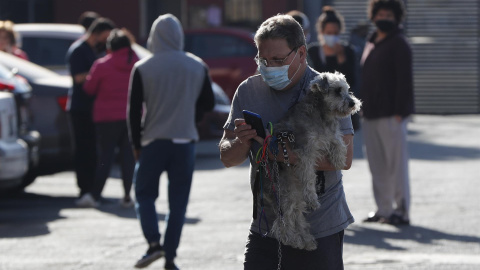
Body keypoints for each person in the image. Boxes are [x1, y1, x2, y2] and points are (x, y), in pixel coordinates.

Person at [219, 14, 355, 269]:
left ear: (301, 53)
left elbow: (344, 159)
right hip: (266, 224)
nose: (269, 66)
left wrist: (287, 155)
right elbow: (227, 157)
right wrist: (242, 142)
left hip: (321, 226)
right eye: (262, 59)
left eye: (278, 60)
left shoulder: (327, 88)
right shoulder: (248, 91)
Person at [127, 14, 214, 270]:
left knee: (144, 194)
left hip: (153, 140)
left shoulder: (143, 67)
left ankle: (154, 243)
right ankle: (171, 257)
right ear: (180, 36)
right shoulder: (197, 65)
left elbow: (133, 111)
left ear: (154, 37)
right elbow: (208, 102)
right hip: (184, 140)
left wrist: (135, 144)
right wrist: (191, 116)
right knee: (178, 204)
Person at [360, 0, 414, 225]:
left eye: (389, 15)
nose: (385, 18)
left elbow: (405, 81)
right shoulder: (372, 42)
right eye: (381, 13)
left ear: (397, 18)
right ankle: (383, 209)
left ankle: (401, 212)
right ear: (373, 16)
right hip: (370, 113)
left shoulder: (399, 44)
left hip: (392, 114)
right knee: (377, 165)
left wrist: (401, 112)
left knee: (396, 166)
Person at [82, 29, 139, 208]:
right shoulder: (138, 63)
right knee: (128, 158)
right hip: (132, 117)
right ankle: (128, 196)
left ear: (110, 47)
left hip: (106, 117)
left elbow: (89, 89)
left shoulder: (102, 64)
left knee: (104, 157)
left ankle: (95, 195)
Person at [66, 18, 115, 207]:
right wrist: (97, 74)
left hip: (93, 107)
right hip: (80, 108)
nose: (106, 41)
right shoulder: (78, 50)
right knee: (83, 150)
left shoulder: (94, 50)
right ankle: (84, 190)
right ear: (96, 33)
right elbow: (78, 77)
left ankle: (93, 191)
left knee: (94, 152)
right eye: (105, 36)